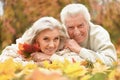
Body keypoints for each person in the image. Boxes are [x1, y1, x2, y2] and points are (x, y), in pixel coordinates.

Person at [0, 17, 83, 65]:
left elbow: (80, 62)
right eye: (46, 39)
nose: (51, 45)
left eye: (56, 39)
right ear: (36, 38)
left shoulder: (63, 49)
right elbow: (4, 61)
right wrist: (36, 64)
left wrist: (51, 58)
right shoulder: (23, 46)